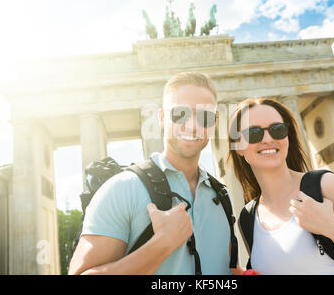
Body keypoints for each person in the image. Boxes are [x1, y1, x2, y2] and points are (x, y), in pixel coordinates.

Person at [69, 72, 233, 275]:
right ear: (162, 118)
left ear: (214, 123)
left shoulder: (222, 197)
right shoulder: (123, 188)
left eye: (204, 116)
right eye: (180, 113)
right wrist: (162, 245)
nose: (192, 125)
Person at [228, 97, 334, 275]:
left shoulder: (325, 186)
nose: (267, 139)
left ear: (287, 138)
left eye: (277, 129)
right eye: (253, 133)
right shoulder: (248, 218)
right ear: (239, 147)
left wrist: (332, 227)